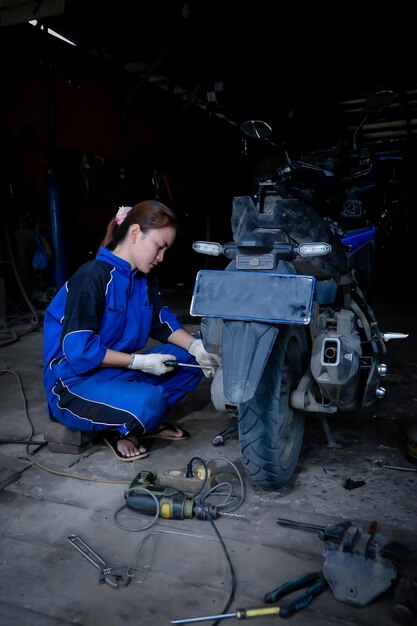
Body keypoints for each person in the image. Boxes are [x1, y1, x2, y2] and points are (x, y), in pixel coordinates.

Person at [43, 200, 221, 461]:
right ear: (135, 233)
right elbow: (79, 351)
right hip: (73, 384)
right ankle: (127, 427)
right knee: (150, 402)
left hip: (115, 373)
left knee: (190, 354)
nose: (161, 257)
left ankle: (138, 419)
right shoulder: (93, 276)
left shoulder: (141, 281)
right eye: (159, 247)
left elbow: (162, 322)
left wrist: (197, 347)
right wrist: (140, 362)